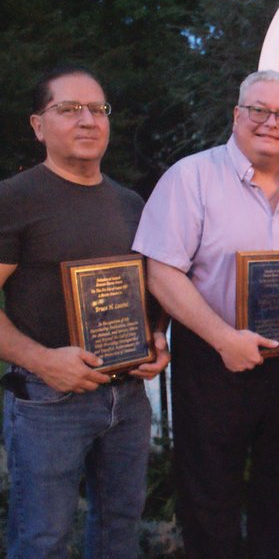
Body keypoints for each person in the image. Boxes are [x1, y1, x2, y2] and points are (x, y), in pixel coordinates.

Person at [132, 70, 279, 559]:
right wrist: (223, 339)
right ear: (236, 114)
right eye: (259, 110)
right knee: (209, 495)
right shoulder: (190, 178)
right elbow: (161, 272)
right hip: (213, 363)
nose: (271, 123)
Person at [0, 66, 170, 558]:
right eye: (69, 109)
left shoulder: (130, 203)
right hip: (48, 402)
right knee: (42, 539)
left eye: (98, 109)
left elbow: (149, 293)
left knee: (119, 531)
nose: (88, 120)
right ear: (38, 125)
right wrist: (42, 361)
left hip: (128, 399)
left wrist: (156, 339)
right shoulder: (14, 198)